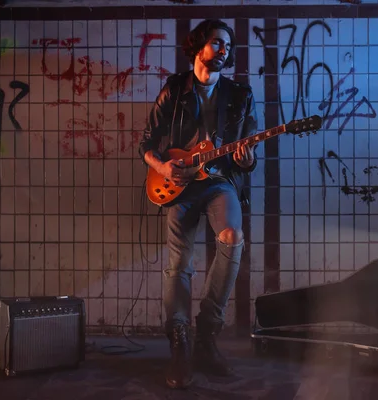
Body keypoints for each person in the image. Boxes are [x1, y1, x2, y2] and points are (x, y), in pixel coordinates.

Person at [138, 19, 258, 389]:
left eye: (227, 46)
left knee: (233, 236)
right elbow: (147, 142)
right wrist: (163, 165)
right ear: (199, 46)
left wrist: (245, 157)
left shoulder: (240, 94)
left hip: (220, 182)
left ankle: (207, 333)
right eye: (217, 43)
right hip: (180, 185)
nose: (224, 51)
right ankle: (179, 342)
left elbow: (249, 157)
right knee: (179, 262)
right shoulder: (175, 89)